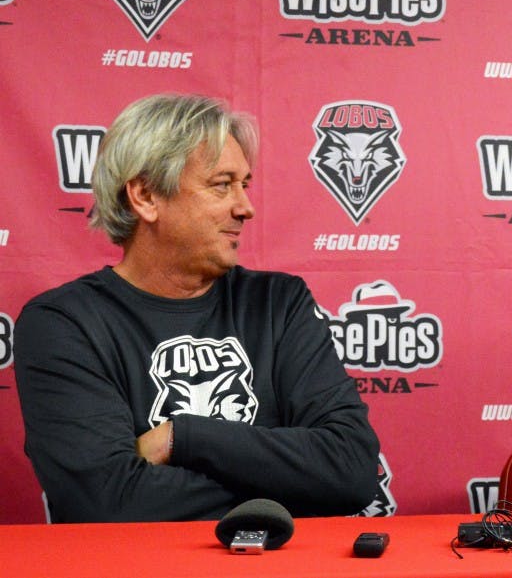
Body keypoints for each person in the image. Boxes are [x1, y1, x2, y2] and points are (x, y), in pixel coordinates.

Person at [14, 94, 381, 523]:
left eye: (245, 184)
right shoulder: (64, 324)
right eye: (222, 184)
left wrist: (182, 437)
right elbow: (107, 501)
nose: (245, 207)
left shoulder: (279, 304)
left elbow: (352, 471)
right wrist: (291, 487)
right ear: (146, 196)